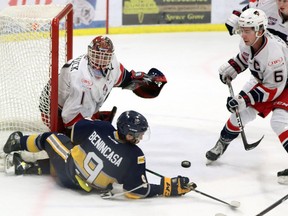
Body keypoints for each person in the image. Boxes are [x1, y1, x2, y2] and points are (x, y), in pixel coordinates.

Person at [3, 110, 196, 198]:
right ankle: (25, 167)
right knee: (68, 154)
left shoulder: (103, 128)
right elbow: (137, 191)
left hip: (69, 172)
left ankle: (17, 142)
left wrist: (96, 125)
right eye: (136, 133)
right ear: (126, 131)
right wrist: (168, 186)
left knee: (52, 139)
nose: (139, 137)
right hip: (85, 186)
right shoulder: (135, 157)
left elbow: (74, 132)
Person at [205, 8, 288, 185]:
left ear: (259, 30)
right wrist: (232, 68)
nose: (243, 34)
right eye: (242, 29)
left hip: (284, 85)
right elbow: (244, 58)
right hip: (263, 81)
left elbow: (273, 90)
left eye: (247, 30)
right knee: (238, 115)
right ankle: (221, 143)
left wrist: (245, 100)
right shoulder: (248, 41)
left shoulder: (274, 54)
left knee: (279, 122)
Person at [39, 35, 167, 135]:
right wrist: (97, 129)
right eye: (97, 56)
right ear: (89, 54)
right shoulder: (81, 79)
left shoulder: (113, 64)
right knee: (65, 142)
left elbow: (125, 79)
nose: (100, 62)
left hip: (72, 101)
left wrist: (141, 81)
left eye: (105, 57)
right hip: (52, 108)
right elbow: (70, 119)